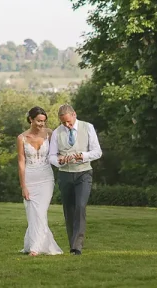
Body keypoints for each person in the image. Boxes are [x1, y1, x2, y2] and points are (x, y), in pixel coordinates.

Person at [47, 103, 102, 255]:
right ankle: (72, 245)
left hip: (83, 173)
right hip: (65, 174)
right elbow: (51, 156)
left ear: (74, 115)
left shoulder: (88, 127)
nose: (66, 124)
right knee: (69, 209)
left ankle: (77, 246)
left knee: (80, 206)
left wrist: (83, 156)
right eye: (63, 122)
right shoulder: (57, 133)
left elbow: (97, 152)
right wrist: (59, 161)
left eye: (68, 121)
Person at [16, 106, 65, 256]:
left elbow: (57, 152)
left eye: (43, 121)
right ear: (30, 120)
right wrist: (23, 186)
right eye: (38, 121)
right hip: (30, 178)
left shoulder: (50, 134)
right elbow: (21, 162)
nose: (41, 124)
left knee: (40, 211)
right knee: (32, 212)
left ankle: (35, 248)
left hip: (46, 178)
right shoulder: (21, 138)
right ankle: (32, 244)